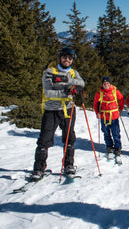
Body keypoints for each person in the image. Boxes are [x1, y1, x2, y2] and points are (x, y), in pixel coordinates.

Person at [31, 47, 85, 181]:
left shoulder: (74, 72)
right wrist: (67, 90)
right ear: (60, 57)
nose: (67, 60)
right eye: (64, 57)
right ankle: (38, 168)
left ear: (73, 60)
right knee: (44, 139)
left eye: (70, 58)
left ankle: (69, 165)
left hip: (68, 110)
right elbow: (48, 92)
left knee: (69, 138)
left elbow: (82, 83)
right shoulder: (50, 72)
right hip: (51, 110)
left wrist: (65, 82)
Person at [93, 77, 125, 158]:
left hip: (114, 116)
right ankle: (109, 146)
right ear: (102, 84)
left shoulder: (115, 91)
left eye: (107, 83)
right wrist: (97, 113)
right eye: (104, 84)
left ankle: (118, 147)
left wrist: (120, 109)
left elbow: (121, 99)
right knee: (106, 132)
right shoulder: (99, 93)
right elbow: (95, 103)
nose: (106, 85)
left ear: (110, 84)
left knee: (116, 132)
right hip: (104, 116)